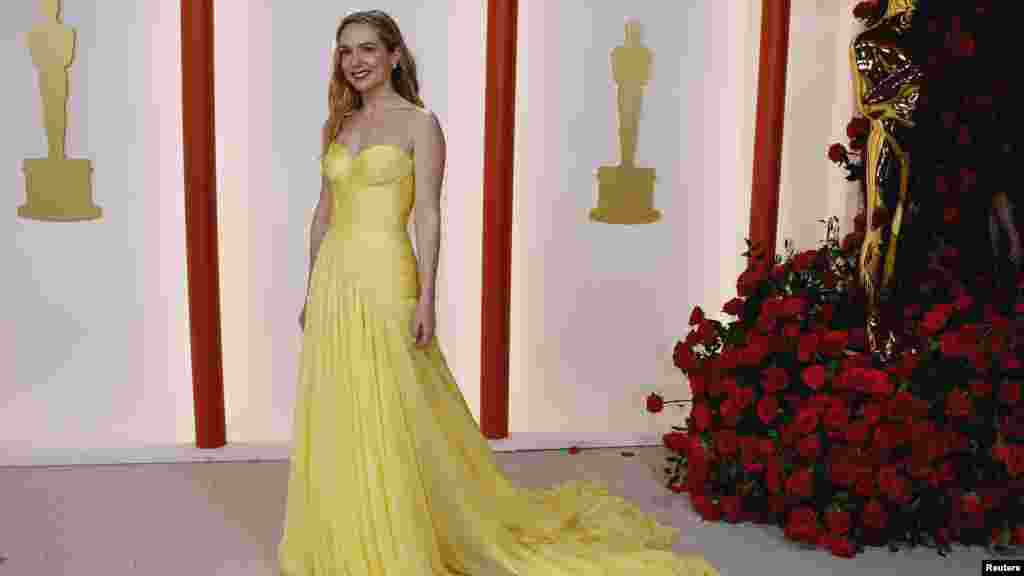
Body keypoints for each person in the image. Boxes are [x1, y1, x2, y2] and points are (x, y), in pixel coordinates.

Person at [278, 10, 720, 575]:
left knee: (397, 401)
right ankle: (348, 528)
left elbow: (428, 215)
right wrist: (310, 287)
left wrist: (427, 296)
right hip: (335, 276)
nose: (356, 61)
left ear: (394, 55)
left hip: (386, 270)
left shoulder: (420, 123)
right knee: (342, 401)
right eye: (346, 50)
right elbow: (323, 212)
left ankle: (399, 531)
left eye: (368, 48)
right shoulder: (338, 124)